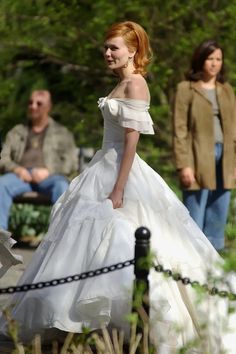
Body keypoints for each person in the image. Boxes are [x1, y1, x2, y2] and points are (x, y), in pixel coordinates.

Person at [0, 23, 235, 353]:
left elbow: (130, 143)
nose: (107, 53)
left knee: (123, 239)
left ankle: (128, 325)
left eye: (114, 48)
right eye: (106, 48)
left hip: (120, 171)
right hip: (103, 165)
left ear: (133, 51)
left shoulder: (136, 84)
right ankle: (85, 324)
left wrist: (118, 189)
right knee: (84, 241)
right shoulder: (121, 83)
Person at [173, 40, 236, 252]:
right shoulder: (186, 89)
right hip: (197, 156)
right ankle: (193, 268)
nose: (214, 63)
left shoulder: (226, 90)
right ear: (201, 59)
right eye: (210, 58)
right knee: (194, 217)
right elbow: (180, 130)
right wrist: (184, 165)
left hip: (226, 157)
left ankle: (213, 272)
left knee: (219, 214)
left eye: (218, 59)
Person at [0, 90, 78, 231]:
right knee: (1, 184)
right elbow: (3, 158)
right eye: (30, 102)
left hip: (50, 178)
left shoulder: (62, 133)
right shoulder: (16, 131)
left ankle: (59, 235)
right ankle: (1, 237)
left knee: (62, 185)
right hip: (21, 176)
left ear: (49, 107)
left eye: (39, 103)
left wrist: (49, 171)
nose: (33, 106)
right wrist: (16, 169)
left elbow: (71, 162)